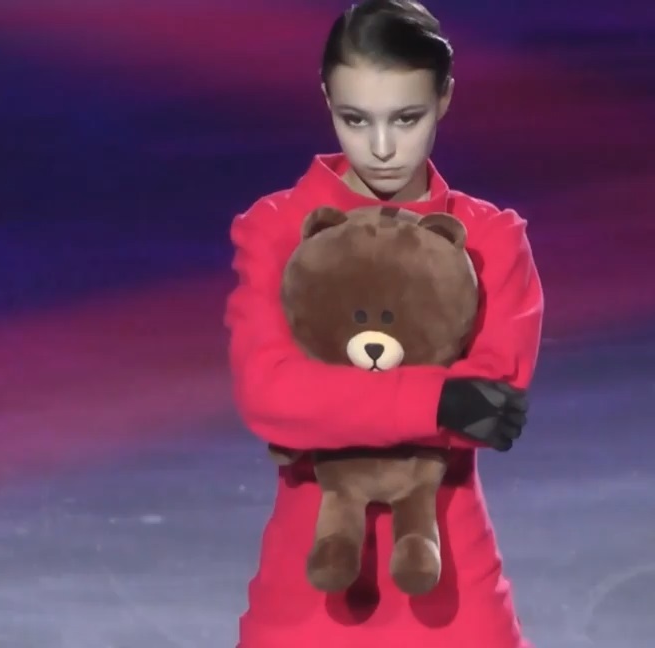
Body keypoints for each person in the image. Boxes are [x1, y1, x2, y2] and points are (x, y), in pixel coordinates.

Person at [223, 1, 544, 646]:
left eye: (406, 117)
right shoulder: (277, 229)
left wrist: (342, 403)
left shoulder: (489, 239)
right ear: (326, 101)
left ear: (444, 98)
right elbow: (269, 394)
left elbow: (491, 406)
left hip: (448, 583)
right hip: (311, 584)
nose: (381, 148)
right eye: (355, 118)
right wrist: (437, 402)